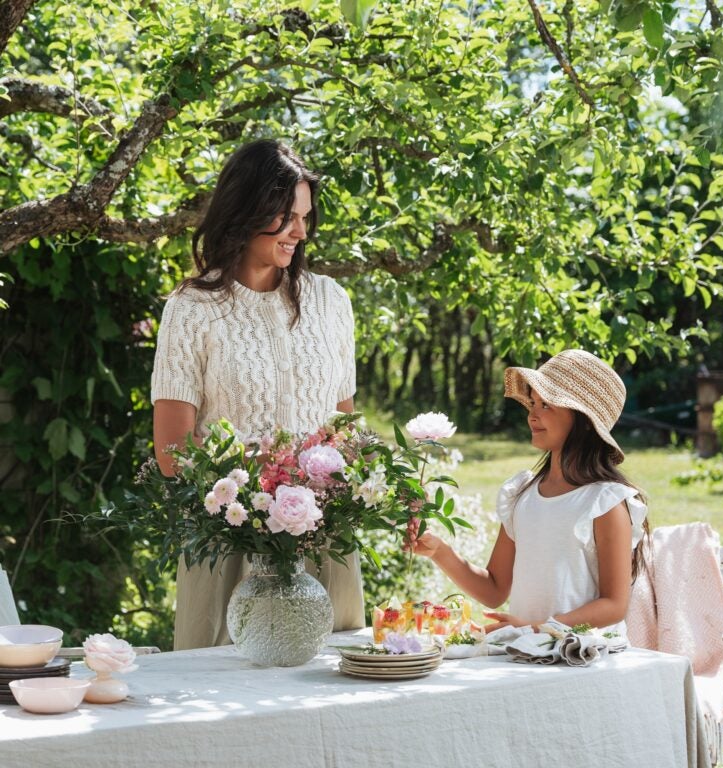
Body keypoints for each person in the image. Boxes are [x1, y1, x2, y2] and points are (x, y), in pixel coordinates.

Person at [151, 139, 365, 650]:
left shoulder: (331, 301)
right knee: (222, 682)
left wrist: (329, 492)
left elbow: (344, 433)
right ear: (246, 210)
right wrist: (259, 489)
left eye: (305, 218)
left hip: (324, 540)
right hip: (228, 543)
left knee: (333, 682)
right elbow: (172, 453)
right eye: (286, 217)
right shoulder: (192, 309)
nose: (300, 232)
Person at [410, 349, 649, 634]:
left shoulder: (605, 502)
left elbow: (614, 605)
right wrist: (439, 551)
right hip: (528, 651)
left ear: (584, 421)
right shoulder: (522, 494)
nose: (532, 415)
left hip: (585, 653)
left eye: (546, 405)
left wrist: (537, 629)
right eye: (533, 403)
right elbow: (494, 589)